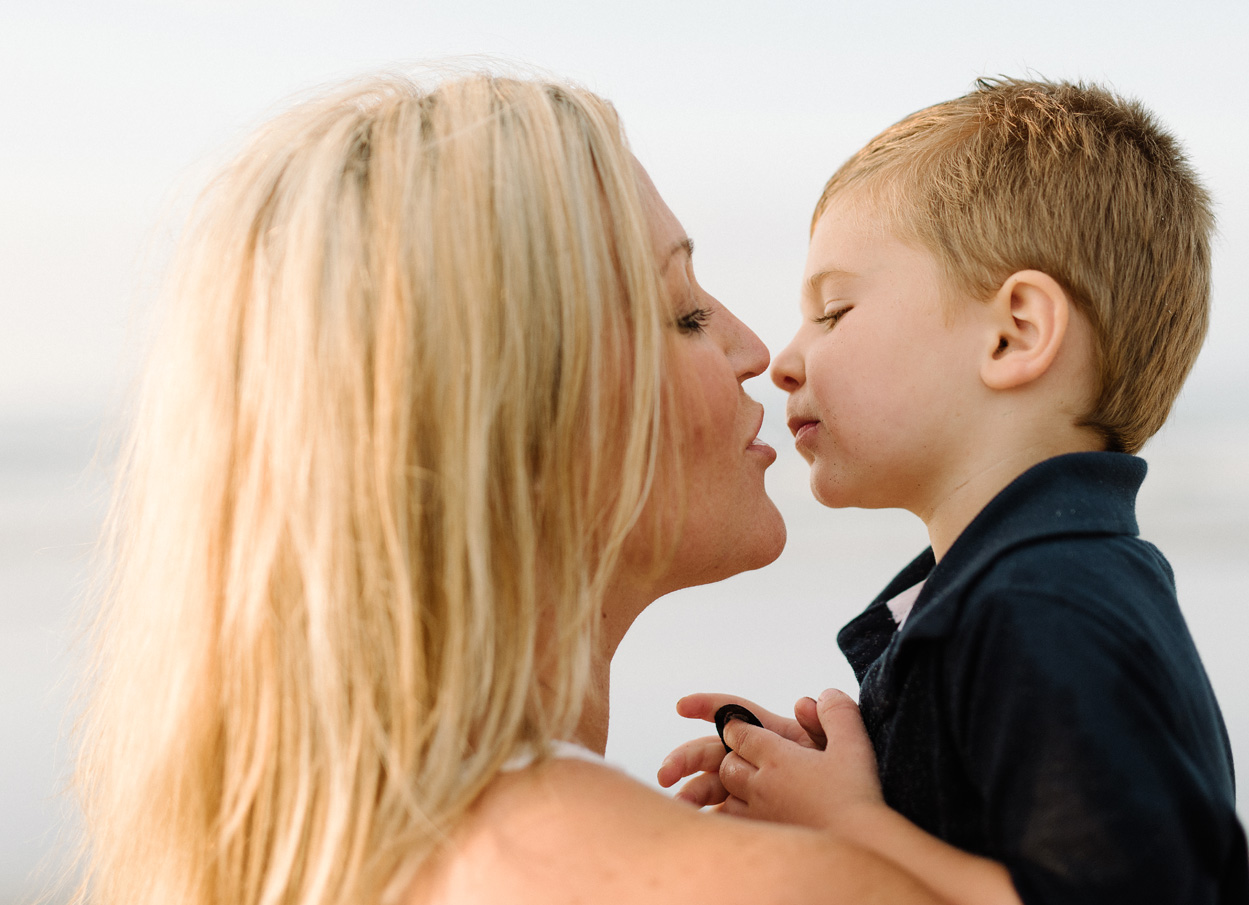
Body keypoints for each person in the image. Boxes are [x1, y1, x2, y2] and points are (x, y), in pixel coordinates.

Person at [73, 71, 951, 905]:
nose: (757, 350)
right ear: (509, 416)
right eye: (683, 312)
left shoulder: (310, 852)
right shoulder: (768, 887)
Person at [659, 78, 1249, 905]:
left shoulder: (1048, 608)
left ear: (1014, 333)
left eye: (832, 311)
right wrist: (837, 790)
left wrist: (853, 829)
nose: (784, 357)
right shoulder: (1012, 593)